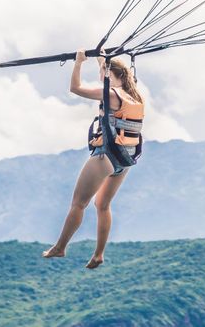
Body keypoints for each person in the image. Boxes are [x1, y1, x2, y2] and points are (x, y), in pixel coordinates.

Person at [42, 49, 145, 269]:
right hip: (124, 160)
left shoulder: (111, 95)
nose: (99, 74)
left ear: (108, 73)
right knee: (103, 205)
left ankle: (60, 247)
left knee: (79, 203)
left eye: (101, 70)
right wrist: (102, 56)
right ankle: (99, 254)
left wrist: (78, 62)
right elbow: (105, 66)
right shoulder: (133, 95)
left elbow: (75, 88)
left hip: (105, 156)